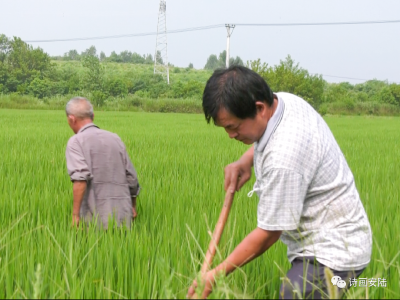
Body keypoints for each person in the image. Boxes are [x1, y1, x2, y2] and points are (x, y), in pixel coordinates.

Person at [187, 66, 372, 299]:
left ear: (259, 108)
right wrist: (246, 161)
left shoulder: (284, 158)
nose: (230, 135)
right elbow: (269, 134)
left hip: (335, 252)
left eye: (233, 127)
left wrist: (215, 275)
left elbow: (269, 232)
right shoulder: (282, 101)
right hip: (334, 238)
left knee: (294, 293)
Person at [65, 97, 140, 230]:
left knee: (93, 250)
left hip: (94, 220)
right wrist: (132, 206)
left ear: (71, 119)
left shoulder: (76, 142)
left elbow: (80, 179)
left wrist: (75, 215)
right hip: (123, 217)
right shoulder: (115, 138)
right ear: (93, 116)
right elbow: (132, 177)